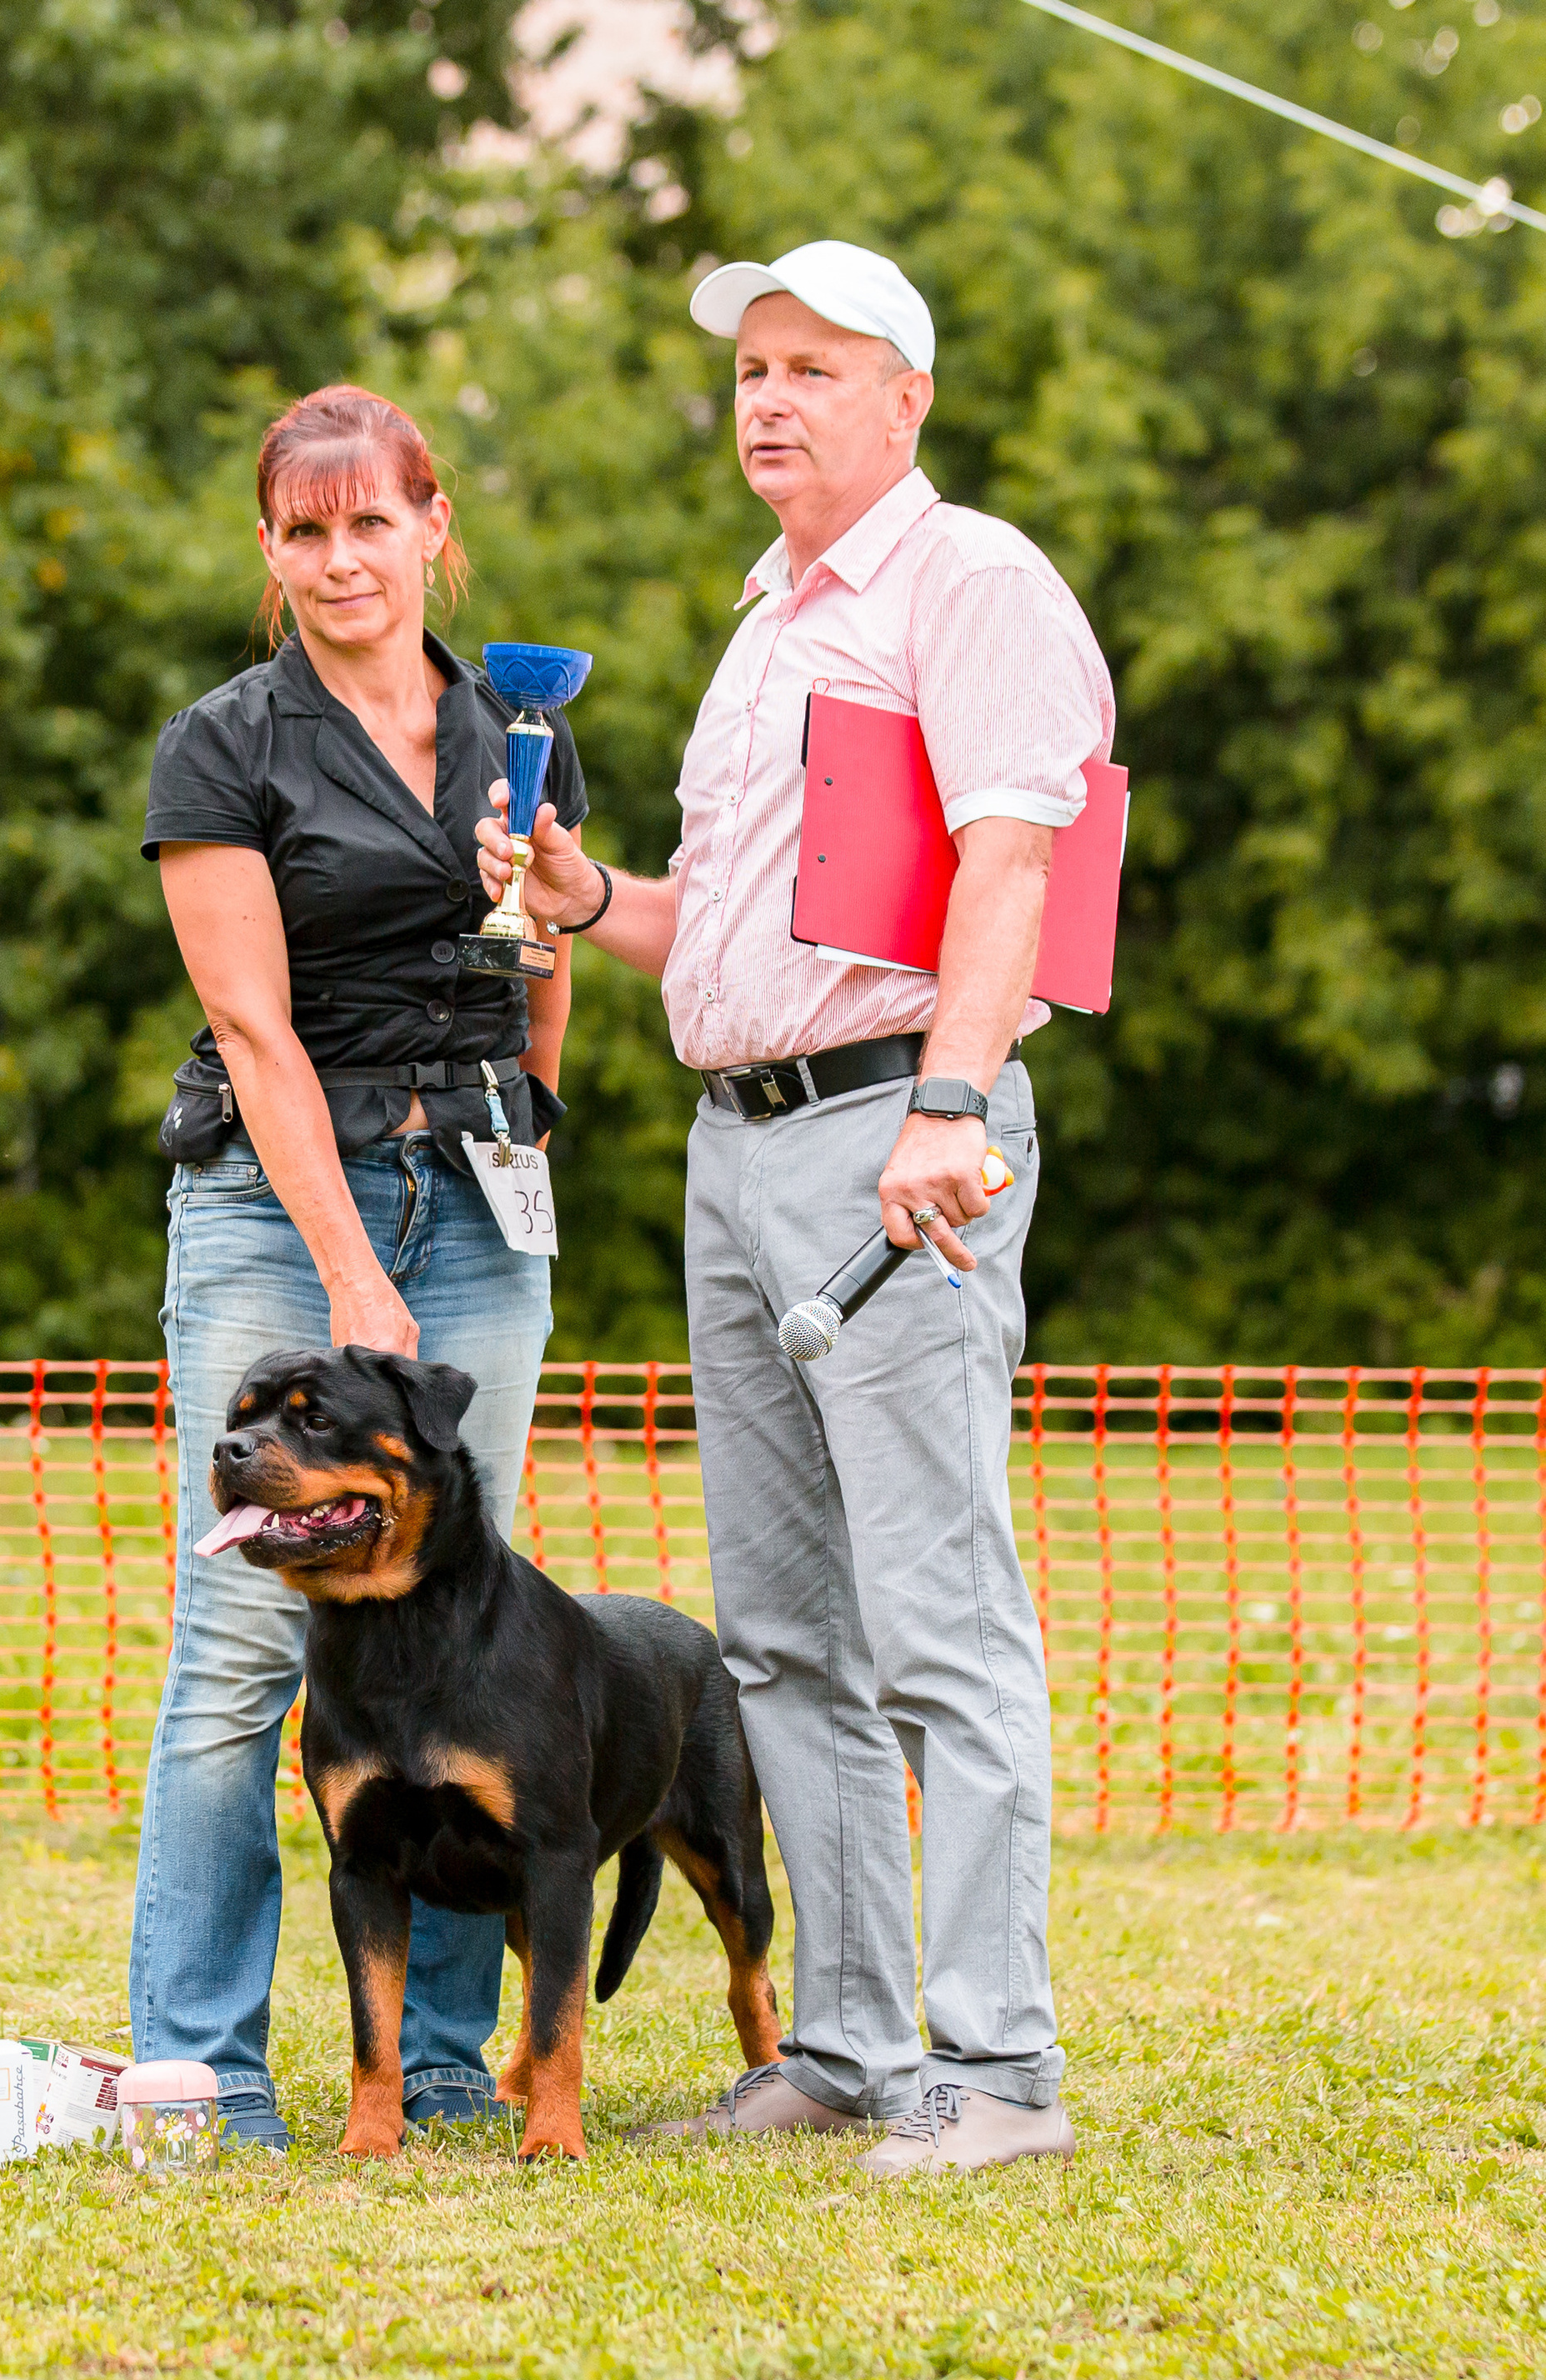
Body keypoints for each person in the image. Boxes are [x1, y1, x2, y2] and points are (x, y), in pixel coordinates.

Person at [478, 241, 1110, 2176]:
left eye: (811, 368)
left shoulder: (968, 580)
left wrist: (946, 1101)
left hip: (888, 1135)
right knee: (778, 1636)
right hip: (733, 1142)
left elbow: (1009, 861)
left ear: (903, 399)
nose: (766, 400)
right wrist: (592, 900)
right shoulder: (769, 621)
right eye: (751, 369)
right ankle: (839, 2045)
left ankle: (995, 2072)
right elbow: (734, 935)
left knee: (935, 1616)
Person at [133, 384, 590, 2151]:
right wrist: (351, 1275)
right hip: (275, 1198)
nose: (342, 560)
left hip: (479, 1196)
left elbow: (548, 932)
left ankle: (456, 2069)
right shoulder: (224, 745)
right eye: (305, 531)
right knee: (246, 1642)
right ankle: (197, 2069)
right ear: (271, 551)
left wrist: (534, 1115)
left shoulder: (513, 723)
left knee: (474, 1629)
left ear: (432, 527)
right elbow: (250, 1031)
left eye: (370, 524)